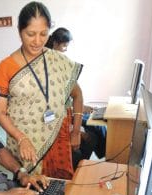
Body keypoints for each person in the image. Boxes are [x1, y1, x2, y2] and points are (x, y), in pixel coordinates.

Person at [0, 1, 84, 180]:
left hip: (59, 138)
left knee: (61, 190)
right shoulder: (6, 67)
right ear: (20, 32)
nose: (37, 41)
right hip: (25, 144)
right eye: (30, 34)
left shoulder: (58, 61)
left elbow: (77, 94)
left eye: (43, 34)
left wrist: (76, 131)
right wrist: (21, 139)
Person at [45, 27, 106, 162]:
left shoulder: (60, 66)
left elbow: (75, 94)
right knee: (91, 137)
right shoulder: (46, 67)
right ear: (55, 44)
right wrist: (72, 129)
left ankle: (82, 169)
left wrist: (79, 112)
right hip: (53, 121)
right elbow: (47, 112)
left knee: (96, 130)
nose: (65, 51)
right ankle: (78, 172)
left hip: (64, 115)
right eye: (64, 47)